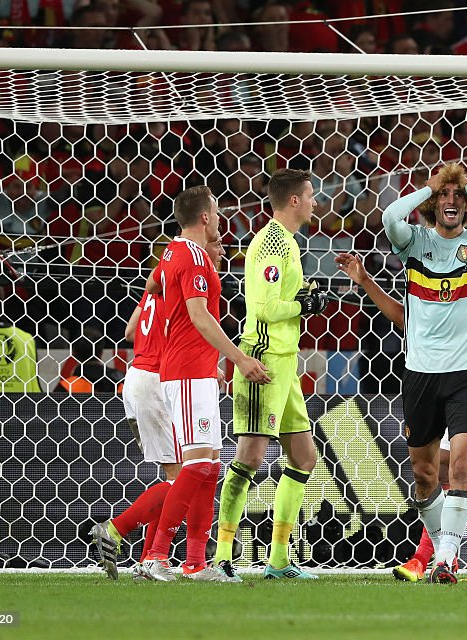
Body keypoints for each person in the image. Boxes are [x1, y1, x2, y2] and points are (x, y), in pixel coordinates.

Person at [334, 252, 467, 582]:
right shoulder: (431, 275)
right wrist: (365, 282)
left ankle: (430, 557)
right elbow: (405, 318)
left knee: (451, 462)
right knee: (435, 468)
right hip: (430, 376)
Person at [381, 161, 467, 584]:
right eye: (444, 196)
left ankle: (445, 559)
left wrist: (465, 185)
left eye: (459, 197)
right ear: (433, 204)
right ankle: (440, 552)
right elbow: (388, 217)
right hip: (421, 372)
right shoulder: (413, 243)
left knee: (463, 461)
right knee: (424, 474)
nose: (451, 201)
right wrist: (429, 187)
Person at [140, 186, 270, 582]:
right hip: (185, 373)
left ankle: (196, 563)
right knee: (196, 465)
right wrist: (239, 359)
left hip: (195, 368)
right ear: (205, 217)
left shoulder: (172, 251)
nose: (218, 214)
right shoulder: (194, 258)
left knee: (210, 466)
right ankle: (155, 557)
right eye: (215, 209)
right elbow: (198, 315)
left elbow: (156, 291)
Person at [213, 169, 331, 581]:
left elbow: (283, 298)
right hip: (262, 361)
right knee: (249, 456)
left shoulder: (290, 243)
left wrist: (303, 297)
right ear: (294, 201)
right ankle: (222, 555)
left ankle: (278, 559)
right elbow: (264, 308)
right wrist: (304, 305)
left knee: (304, 456)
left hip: (286, 363)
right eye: (311, 195)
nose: (316, 201)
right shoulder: (271, 242)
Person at [89, 239, 224, 580]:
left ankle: (151, 559)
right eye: (218, 244)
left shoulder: (159, 285)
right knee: (189, 475)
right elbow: (182, 328)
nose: (221, 251)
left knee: (178, 476)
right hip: (157, 379)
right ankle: (119, 532)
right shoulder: (184, 287)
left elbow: (130, 330)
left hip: (136, 378)